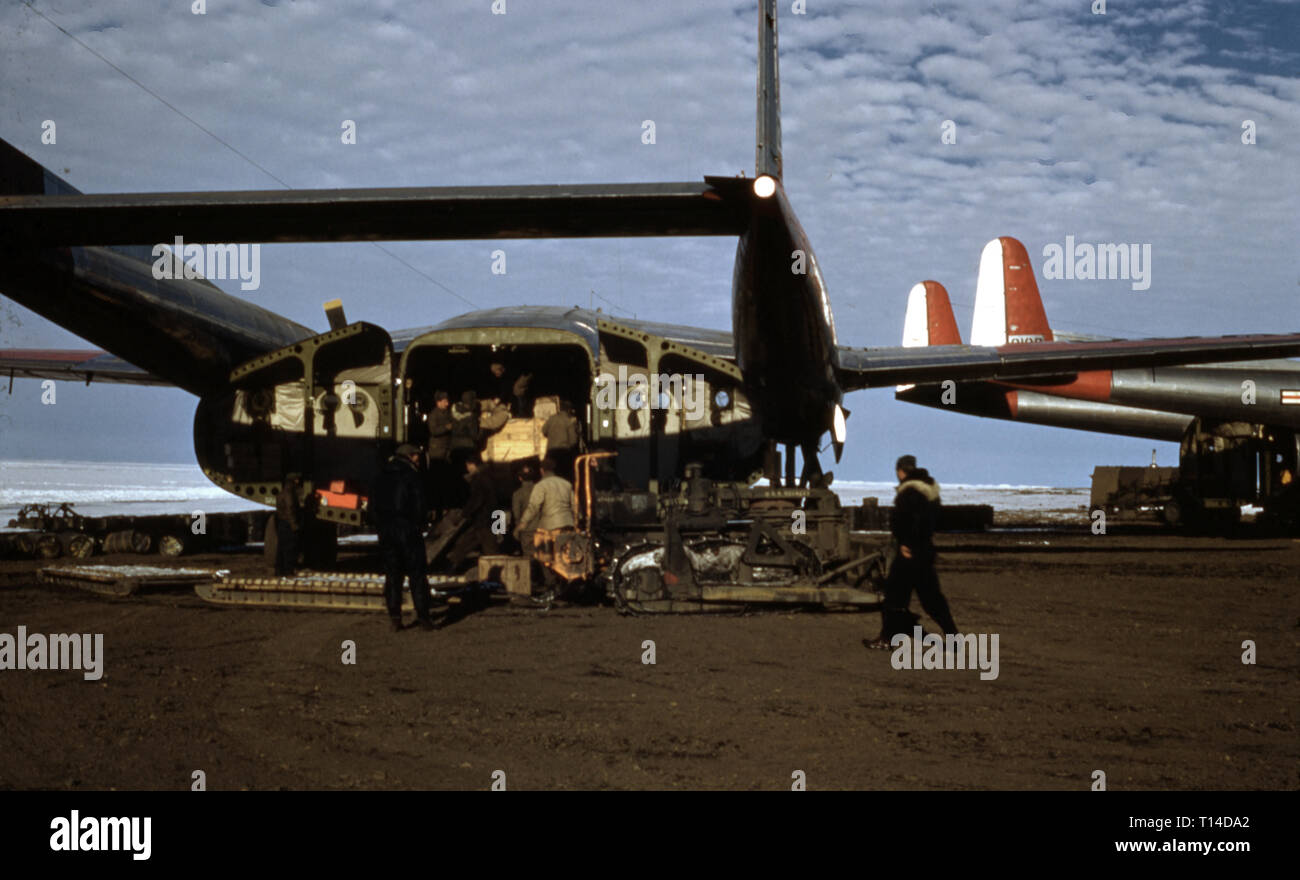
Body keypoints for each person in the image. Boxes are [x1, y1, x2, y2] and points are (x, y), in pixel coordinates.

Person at [865, 455, 958, 649]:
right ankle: (953, 637)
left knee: (892, 596)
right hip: (925, 551)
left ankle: (888, 638)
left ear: (900, 471)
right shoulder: (930, 491)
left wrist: (907, 543)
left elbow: (910, 520)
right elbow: (933, 520)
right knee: (932, 599)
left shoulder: (909, 493)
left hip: (909, 553)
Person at [373, 444, 435, 632]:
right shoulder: (412, 475)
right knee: (417, 574)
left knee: (392, 575)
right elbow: (419, 504)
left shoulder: (380, 476)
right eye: (416, 456)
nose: (418, 459)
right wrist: (421, 522)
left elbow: (372, 507)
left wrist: (381, 525)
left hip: (386, 530)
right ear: (410, 456)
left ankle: (395, 618)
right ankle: (423, 617)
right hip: (407, 529)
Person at [515, 457, 576, 591]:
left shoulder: (541, 486)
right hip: (568, 525)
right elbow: (575, 506)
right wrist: (578, 521)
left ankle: (552, 585)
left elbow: (533, 507)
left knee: (545, 557)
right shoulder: (566, 484)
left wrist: (522, 524)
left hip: (550, 527)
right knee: (564, 556)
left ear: (542, 471)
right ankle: (566, 585)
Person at [445, 453, 501, 571]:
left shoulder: (480, 478)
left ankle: (496, 571)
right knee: (469, 542)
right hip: (487, 518)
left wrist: (464, 514)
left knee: (489, 548)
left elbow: (476, 499)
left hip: (483, 518)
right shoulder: (487, 476)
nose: (467, 468)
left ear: (471, 465)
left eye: (468, 465)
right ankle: (452, 561)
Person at [542, 400, 580, 479]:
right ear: (569, 410)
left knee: (550, 475)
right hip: (563, 452)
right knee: (564, 475)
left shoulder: (551, 418)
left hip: (551, 451)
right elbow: (573, 440)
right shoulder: (569, 421)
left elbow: (544, 431)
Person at [274, 473, 303, 576]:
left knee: (281, 548)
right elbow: (290, 509)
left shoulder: (281, 493)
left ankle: (279, 571)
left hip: (282, 523)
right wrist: (294, 525)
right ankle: (288, 571)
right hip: (288, 524)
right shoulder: (289, 493)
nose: (298, 482)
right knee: (290, 548)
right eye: (296, 480)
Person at [511, 461, 537, 555]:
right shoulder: (542, 491)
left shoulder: (518, 494)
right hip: (543, 529)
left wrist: (517, 529)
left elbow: (517, 514)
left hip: (527, 531)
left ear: (520, 478)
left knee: (529, 558)